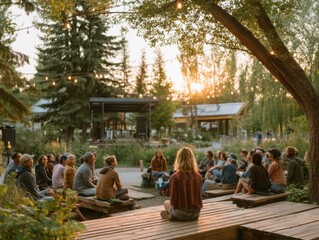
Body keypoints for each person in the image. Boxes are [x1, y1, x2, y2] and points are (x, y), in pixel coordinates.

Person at [160, 147, 202, 221]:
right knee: (173, 208)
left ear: (178, 159)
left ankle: (171, 215)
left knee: (166, 202)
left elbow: (173, 200)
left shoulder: (175, 177)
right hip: (196, 214)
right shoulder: (198, 176)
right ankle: (171, 215)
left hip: (181, 213)